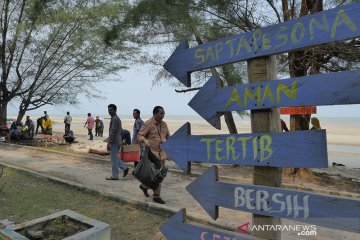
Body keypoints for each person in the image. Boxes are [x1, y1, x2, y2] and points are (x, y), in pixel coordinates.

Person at [137, 106, 170, 204]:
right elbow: (140, 135)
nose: (163, 115)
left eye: (164, 113)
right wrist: (144, 140)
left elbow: (168, 137)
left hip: (162, 153)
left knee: (160, 174)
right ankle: (156, 196)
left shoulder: (164, 124)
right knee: (158, 175)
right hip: (152, 153)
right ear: (155, 114)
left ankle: (144, 186)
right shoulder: (148, 123)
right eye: (161, 113)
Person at [105, 104, 129, 180]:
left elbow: (113, 132)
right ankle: (125, 168)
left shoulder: (115, 119)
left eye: (111, 110)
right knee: (115, 157)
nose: (109, 111)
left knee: (113, 159)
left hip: (114, 142)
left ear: (115, 110)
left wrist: (109, 143)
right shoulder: (116, 118)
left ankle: (115, 176)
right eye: (108, 110)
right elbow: (120, 130)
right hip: (118, 141)